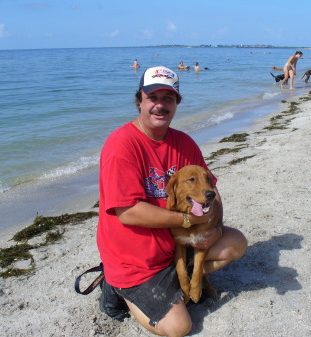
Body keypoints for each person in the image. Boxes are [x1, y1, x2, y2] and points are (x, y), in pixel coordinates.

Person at [97, 66, 247, 337]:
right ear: (139, 101)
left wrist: (214, 228)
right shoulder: (122, 145)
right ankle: (114, 286)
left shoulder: (184, 143)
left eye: (168, 98)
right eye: (153, 97)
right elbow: (128, 212)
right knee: (179, 328)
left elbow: (212, 191)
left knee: (235, 242)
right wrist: (188, 219)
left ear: (177, 103)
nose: (160, 105)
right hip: (137, 261)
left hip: (177, 246)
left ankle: (182, 278)